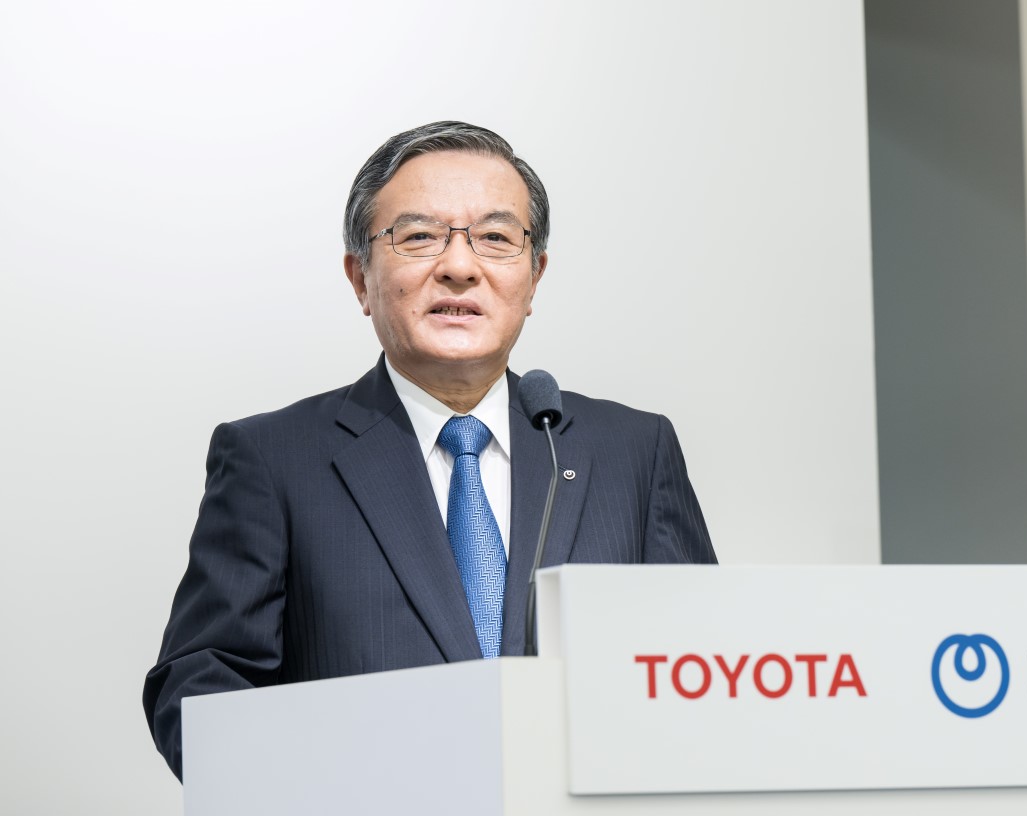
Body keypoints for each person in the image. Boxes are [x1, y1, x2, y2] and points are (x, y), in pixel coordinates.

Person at [142, 121, 716, 780]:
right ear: (360, 278)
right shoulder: (273, 461)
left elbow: (703, 673)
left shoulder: (633, 452)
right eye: (418, 237)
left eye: (496, 238)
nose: (460, 267)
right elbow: (200, 690)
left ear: (534, 277)